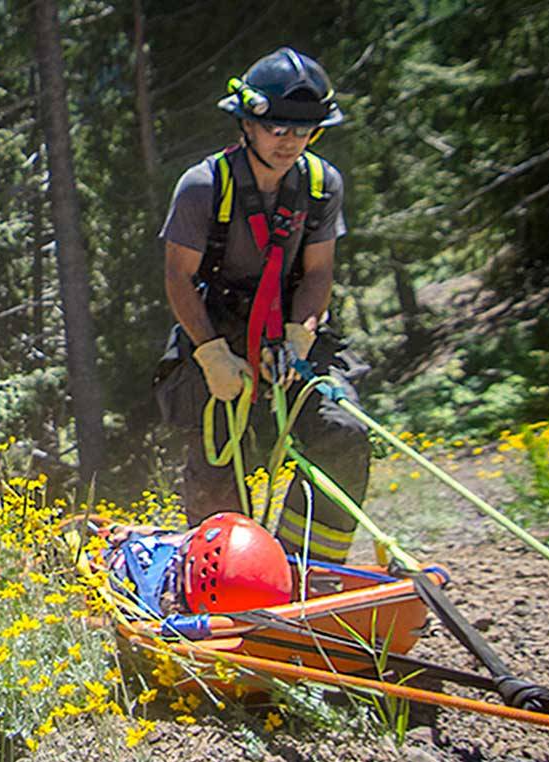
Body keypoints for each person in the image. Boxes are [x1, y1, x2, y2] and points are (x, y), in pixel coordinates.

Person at [154, 47, 371, 566]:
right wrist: (210, 355)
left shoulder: (321, 185)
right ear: (248, 122)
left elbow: (318, 272)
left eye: (303, 130)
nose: (289, 140)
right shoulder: (204, 187)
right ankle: (225, 582)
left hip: (292, 329)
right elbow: (178, 279)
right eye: (276, 128)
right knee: (217, 473)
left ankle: (307, 567)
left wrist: (301, 336)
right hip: (217, 333)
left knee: (344, 433)